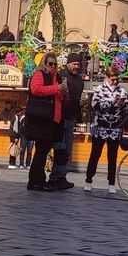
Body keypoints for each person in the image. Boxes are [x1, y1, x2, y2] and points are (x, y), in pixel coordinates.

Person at [84, 65, 128, 194]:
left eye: (117, 79)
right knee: (95, 154)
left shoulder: (122, 91)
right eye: (112, 79)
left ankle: (111, 183)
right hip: (100, 127)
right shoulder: (99, 89)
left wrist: (123, 105)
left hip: (115, 129)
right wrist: (111, 103)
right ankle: (88, 180)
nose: (115, 82)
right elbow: (95, 105)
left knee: (112, 156)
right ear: (107, 77)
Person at [26, 53, 67, 191]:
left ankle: (38, 180)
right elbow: (36, 89)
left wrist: (64, 92)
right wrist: (56, 88)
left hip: (53, 120)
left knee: (43, 151)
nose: (53, 66)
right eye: (50, 64)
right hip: (42, 119)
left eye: (55, 64)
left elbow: (59, 98)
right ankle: (36, 181)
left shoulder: (57, 77)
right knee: (41, 151)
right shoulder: (40, 74)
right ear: (44, 63)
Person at [49, 50, 85, 190]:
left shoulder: (79, 80)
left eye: (78, 64)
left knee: (67, 150)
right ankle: (55, 177)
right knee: (60, 148)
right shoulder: (61, 75)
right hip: (60, 118)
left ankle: (61, 176)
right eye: (74, 64)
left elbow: (76, 100)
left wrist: (81, 104)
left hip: (71, 118)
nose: (76, 67)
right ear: (68, 64)